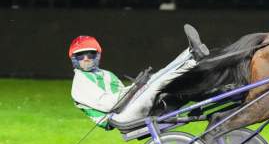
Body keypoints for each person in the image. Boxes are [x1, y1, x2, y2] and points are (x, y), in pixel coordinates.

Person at [69, 24, 209, 129]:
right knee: (156, 82)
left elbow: (123, 98)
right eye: (80, 55)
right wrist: (136, 87)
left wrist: (137, 86)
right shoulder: (80, 83)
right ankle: (193, 58)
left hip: (124, 110)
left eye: (90, 54)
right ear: (73, 58)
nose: (86, 58)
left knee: (155, 77)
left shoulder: (106, 75)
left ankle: (191, 54)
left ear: (97, 55)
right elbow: (111, 105)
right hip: (118, 118)